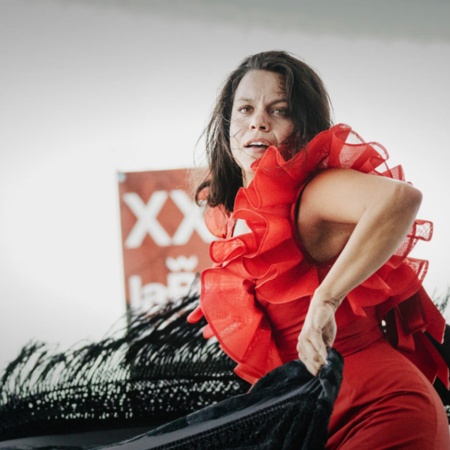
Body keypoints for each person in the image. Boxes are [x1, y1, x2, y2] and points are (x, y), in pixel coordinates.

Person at [187, 50, 450, 449]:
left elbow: (401, 199)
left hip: (381, 410)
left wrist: (326, 300)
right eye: (245, 109)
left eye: (280, 110)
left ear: (302, 126)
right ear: (226, 125)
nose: (258, 120)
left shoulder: (311, 194)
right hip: (313, 422)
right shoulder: (241, 217)